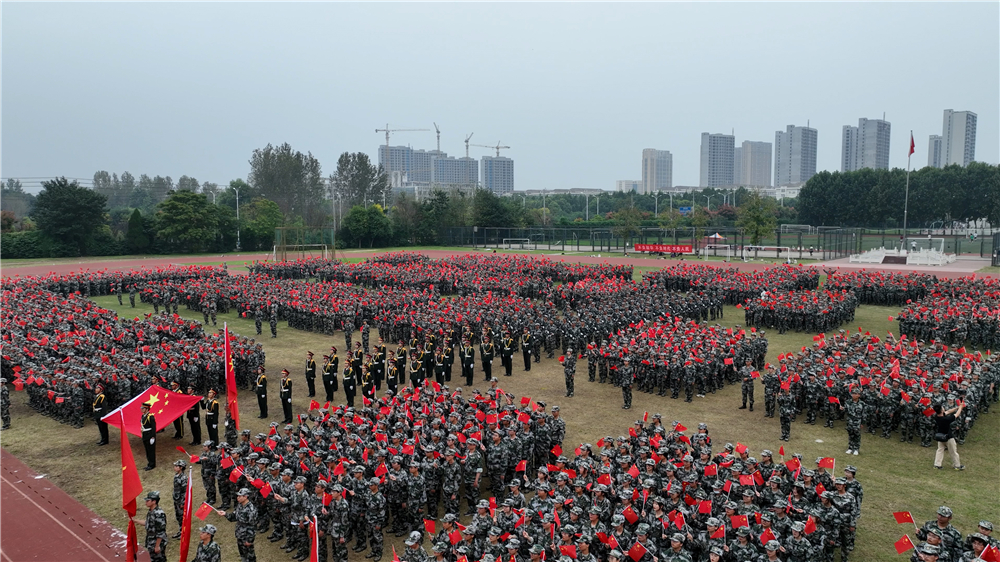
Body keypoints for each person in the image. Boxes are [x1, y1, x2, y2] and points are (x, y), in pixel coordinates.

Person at [220, 488, 258, 562]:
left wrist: (249, 540)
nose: (238, 497)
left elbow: (253, 526)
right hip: (239, 534)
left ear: (245, 497)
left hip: (246, 536)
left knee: (250, 557)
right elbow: (234, 517)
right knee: (243, 555)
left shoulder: (251, 510)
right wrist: (225, 514)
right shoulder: (240, 505)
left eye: (240, 496)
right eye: (238, 496)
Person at [134, 491, 168, 562]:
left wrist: (157, 546)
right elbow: (148, 523)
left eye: (148, 500)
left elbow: (161, 531)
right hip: (151, 542)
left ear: (154, 501)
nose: (146, 502)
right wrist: (135, 520)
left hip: (157, 543)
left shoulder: (159, 514)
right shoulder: (151, 511)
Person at [933, 402, 966, 470]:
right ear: (941, 410)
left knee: (940, 450)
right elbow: (956, 415)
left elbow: (948, 411)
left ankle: (937, 464)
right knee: (953, 452)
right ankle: (957, 465)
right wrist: (960, 407)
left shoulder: (936, 416)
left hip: (940, 436)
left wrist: (956, 408)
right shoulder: (946, 419)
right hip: (948, 437)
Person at [141, 402, 157, 470]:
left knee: (151, 451)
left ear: (147, 409)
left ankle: (152, 464)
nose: (141, 409)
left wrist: (153, 437)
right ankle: (149, 463)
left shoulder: (150, 417)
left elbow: (153, 427)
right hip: (145, 435)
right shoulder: (143, 416)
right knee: (147, 450)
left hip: (149, 435)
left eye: (143, 408)